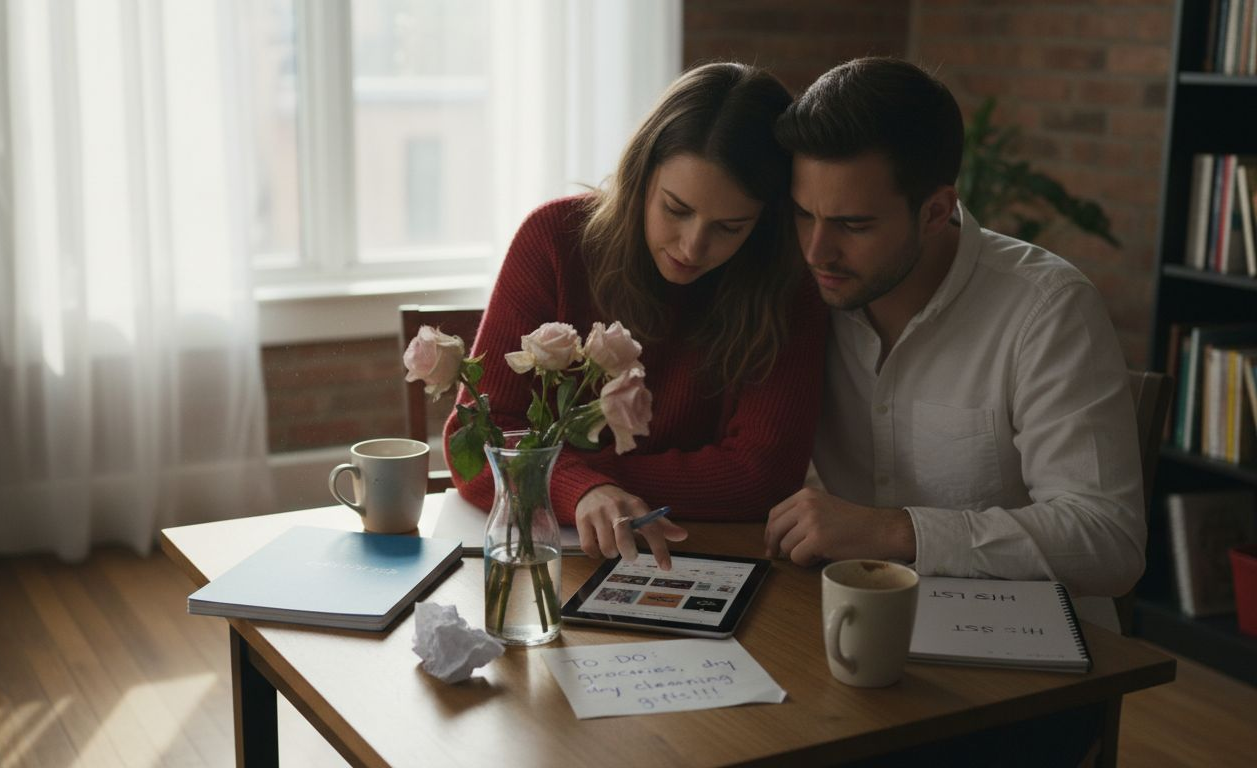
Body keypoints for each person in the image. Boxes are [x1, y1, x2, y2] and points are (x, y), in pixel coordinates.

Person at [766, 57, 1146, 627]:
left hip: (1030, 665)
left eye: (853, 224)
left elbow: (1108, 541)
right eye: (803, 214)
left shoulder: (1046, 306)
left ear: (935, 211)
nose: (817, 250)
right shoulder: (802, 293)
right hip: (852, 627)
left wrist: (896, 531)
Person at [447, 62, 827, 568]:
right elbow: (475, 444)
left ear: (763, 222)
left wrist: (572, 474)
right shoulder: (555, 241)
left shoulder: (787, 285)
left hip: (704, 557)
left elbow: (762, 475)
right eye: (676, 209)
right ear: (641, 175)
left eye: (730, 227)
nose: (693, 246)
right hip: (555, 554)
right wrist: (580, 490)